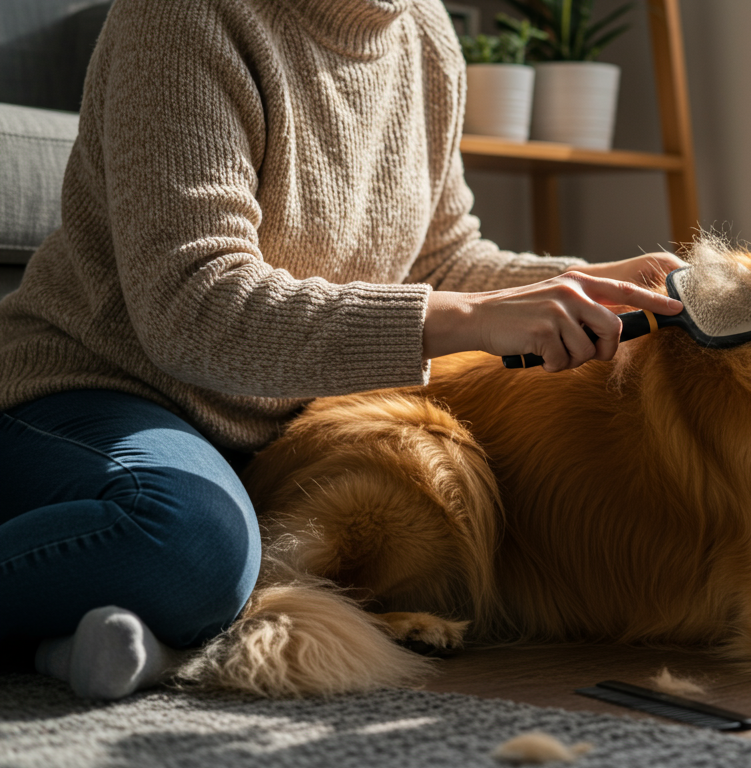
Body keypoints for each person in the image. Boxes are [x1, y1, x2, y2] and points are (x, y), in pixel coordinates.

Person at [0, 0, 684, 699]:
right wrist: (474, 317)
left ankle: (89, 635)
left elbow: (441, 258)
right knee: (189, 545)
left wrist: (583, 287)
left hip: (277, 429)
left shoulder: (421, 30)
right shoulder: (186, 16)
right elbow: (193, 302)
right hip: (92, 395)